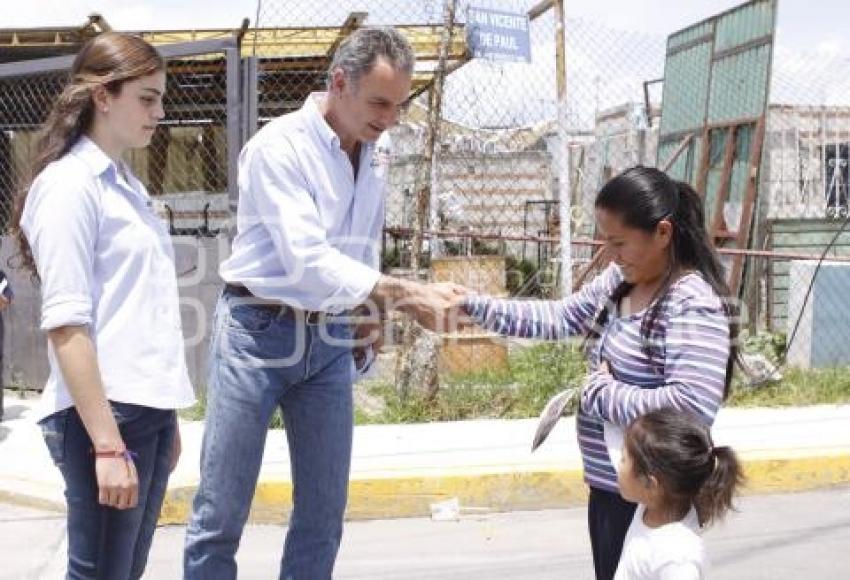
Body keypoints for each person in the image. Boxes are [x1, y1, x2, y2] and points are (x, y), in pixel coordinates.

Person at [183, 27, 467, 580]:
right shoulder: (279, 147)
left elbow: (361, 236)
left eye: (398, 105)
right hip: (258, 334)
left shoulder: (376, 151)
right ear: (340, 82)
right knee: (221, 513)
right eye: (379, 102)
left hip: (332, 341)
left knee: (323, 514)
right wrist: (404, 295)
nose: (388, 118)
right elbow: (306, 260)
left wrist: (370, 310)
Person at [460, 165, 738, 580]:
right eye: (605, 241)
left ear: (663, 233)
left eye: (619, 242)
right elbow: (559, 317)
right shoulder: (620, 280)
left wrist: (600, 393)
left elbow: (691, 407)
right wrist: (467, 306)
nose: (610, 254)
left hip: (650, 496)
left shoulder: (690, 302)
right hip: (614, 491)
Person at [10, 32, 195, 579]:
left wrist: (164, 415)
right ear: (103, 96)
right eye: (147, 97)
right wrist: (109, 447)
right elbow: (66, 326)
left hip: (143, 410)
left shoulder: (125, 186)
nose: (159, 113)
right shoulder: (70, 186)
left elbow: (138, 311)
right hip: (105, 416)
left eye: (161, 99)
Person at [614, 408, 743, 580]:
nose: (618, 464)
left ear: (651, 484)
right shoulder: (650, 508)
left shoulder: (677, 556)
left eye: (623, 458)